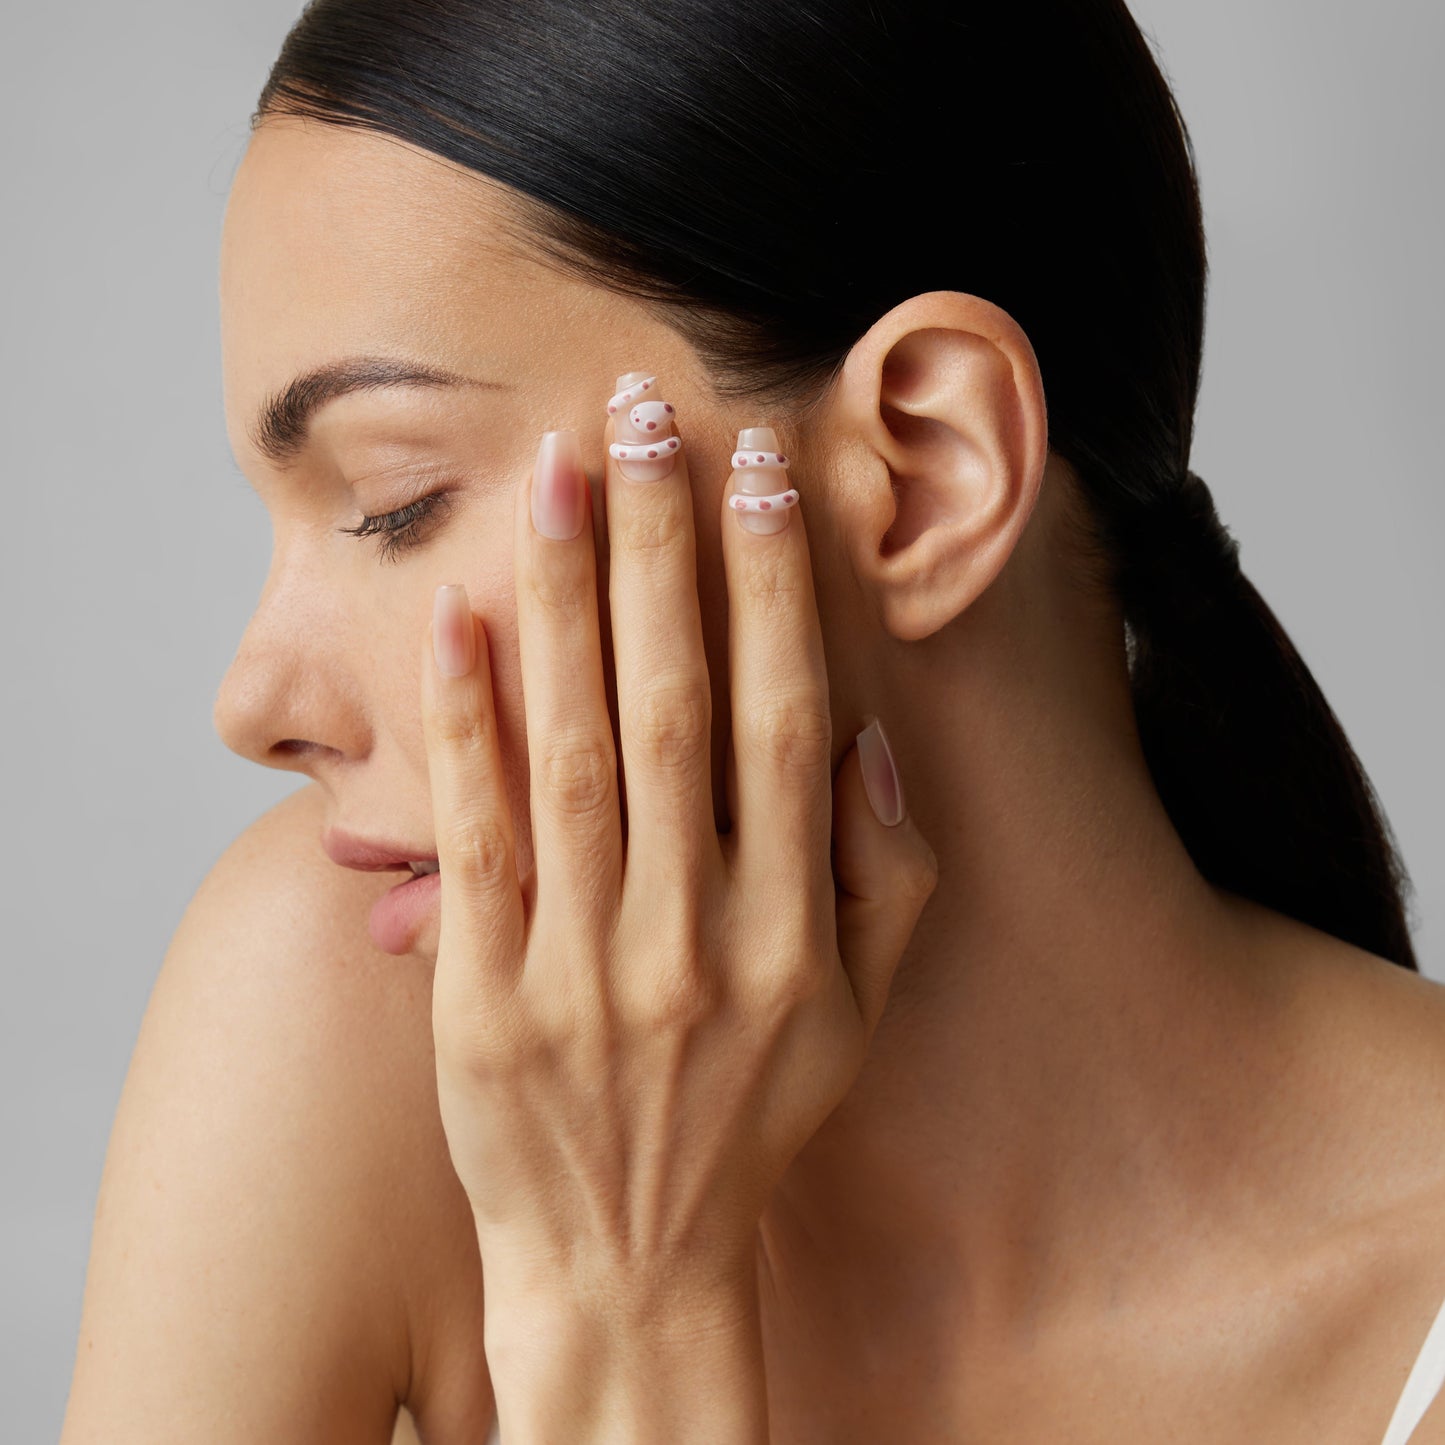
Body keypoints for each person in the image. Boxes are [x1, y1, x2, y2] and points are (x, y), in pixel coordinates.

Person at [61, 1, 1445, 1441]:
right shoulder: (345, 1010)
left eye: (391, 501)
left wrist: (627, 1303)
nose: (254, 705)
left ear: (924, 472)